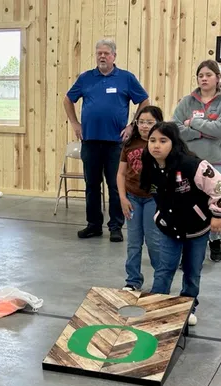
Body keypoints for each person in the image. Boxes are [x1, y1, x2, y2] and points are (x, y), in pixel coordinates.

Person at [140, 122, 221, 326]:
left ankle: (188, 307)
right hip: (168, 228)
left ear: (174, 142)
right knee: (164, 269)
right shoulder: (149, 163)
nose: (156, 146)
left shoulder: (193, 164)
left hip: (196, 230)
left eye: (163, 141)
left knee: (192, 271)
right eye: (152, 140)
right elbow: (150, 188)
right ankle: (156, 306)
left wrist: (217, 215)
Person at [64, 39, 150, 242]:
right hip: (90, 142)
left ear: (114, 56)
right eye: (99, 53)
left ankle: (115, 227)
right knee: (92, 185)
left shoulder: (126, 78)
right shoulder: (86, 78)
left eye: (106, 53)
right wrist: (75, 124)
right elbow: (68, 99)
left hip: (116, 144)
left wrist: (133, 125)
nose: (102, 56)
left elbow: (144, 100)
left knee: (115, 185)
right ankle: (93, 225)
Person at [173, 59, 221, 262]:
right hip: (189, 162)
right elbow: (176, 129)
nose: (204, 78)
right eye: (200, 75)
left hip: (214, 163)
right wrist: (202, 132)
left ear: (217, 78)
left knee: (214, 204)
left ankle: (214, 242)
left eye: (208, 75)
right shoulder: (187, 101)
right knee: (187, 204)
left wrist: (195, 123)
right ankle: (186, 248)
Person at [117, 106, 163, 291]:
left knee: (153, 241)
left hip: (153, 199)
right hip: (132, 198)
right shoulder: (130, 144)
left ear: (158, 123)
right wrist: (122, 198)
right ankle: (133, 280)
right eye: (141, 122)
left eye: (149, 122)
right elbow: (120, 174)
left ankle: (161, 279)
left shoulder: (161, 144)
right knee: (134, 242)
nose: (145, 126)